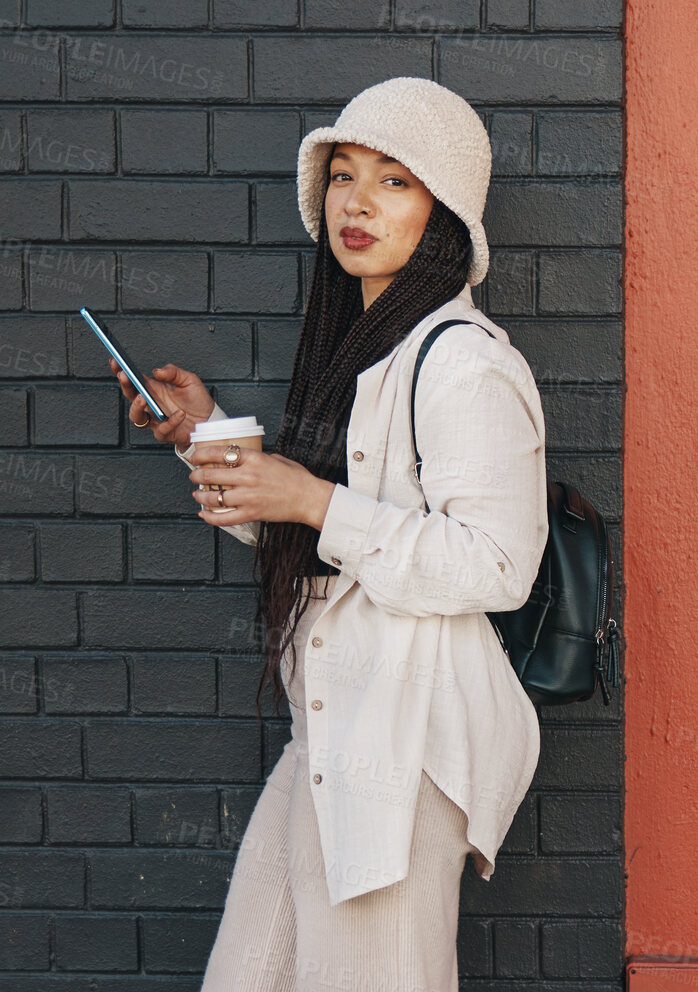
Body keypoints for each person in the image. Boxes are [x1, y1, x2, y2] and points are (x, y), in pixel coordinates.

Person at [111, 76, 547, 989]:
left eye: (394, 180)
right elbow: (323, 542)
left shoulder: (462, 362)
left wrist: (310, 498)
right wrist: (203, 438)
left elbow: (498, 565)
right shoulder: (361, 349)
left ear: (446, 211)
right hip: (335, 734)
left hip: (406, 740)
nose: (356, 201)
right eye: (344, 175)